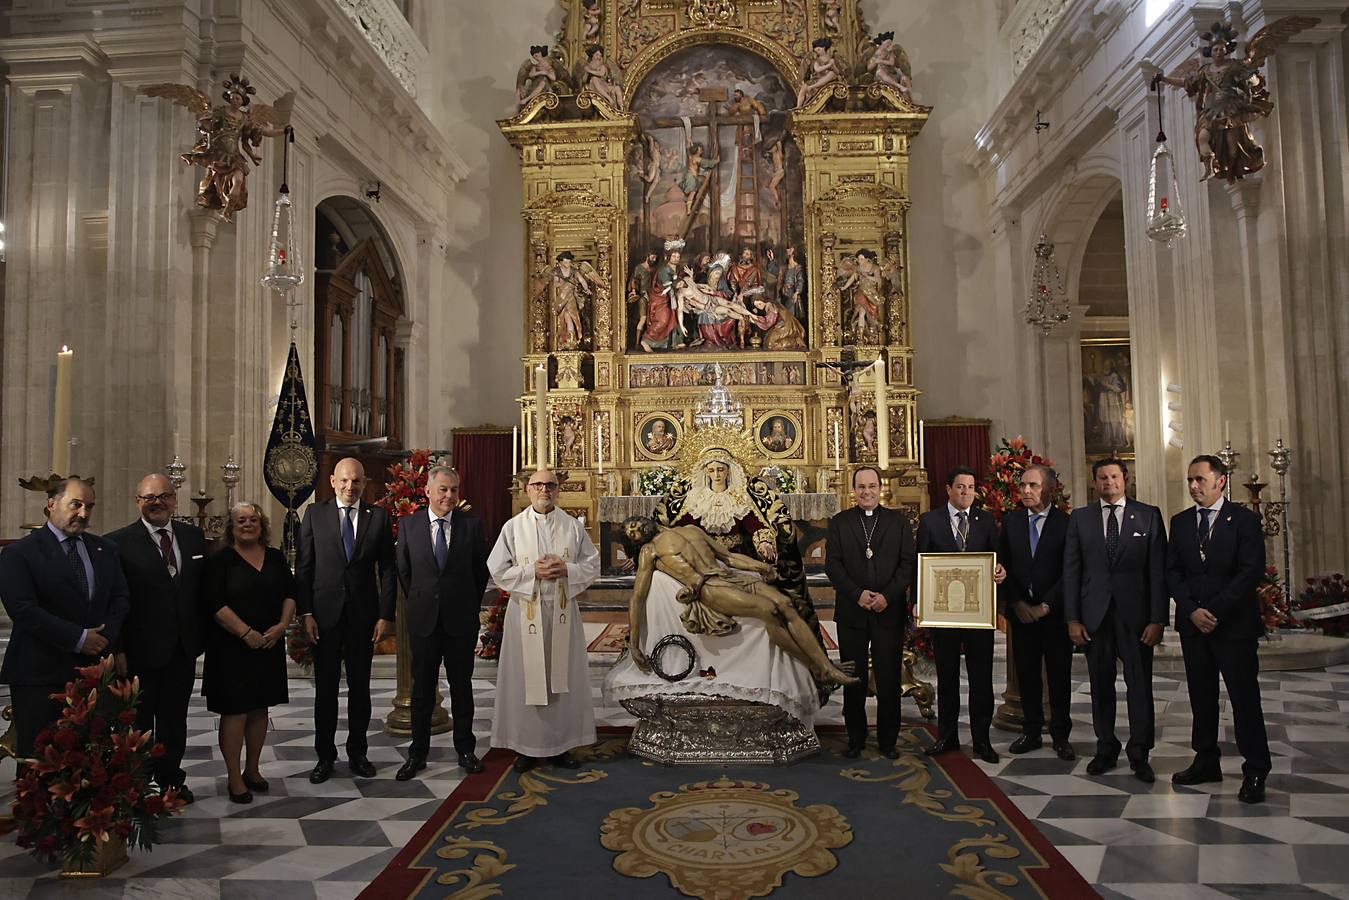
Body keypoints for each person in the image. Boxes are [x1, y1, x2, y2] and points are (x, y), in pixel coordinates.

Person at [624, 517, 858, 687]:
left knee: (785, 602)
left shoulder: (691, 529)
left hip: (728, 575)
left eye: (633, 524)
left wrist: (761, 566)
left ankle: (825, 666)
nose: (635, 529)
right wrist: (634, 644)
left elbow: (729, 557)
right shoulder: (650, 550)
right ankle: (820, 669)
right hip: (710, 587)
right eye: (631, 533)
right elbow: (638, 598)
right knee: (769, 609)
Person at [0, 478, 129, 758]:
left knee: (89, 758)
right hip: (40, 672)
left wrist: (105, 638)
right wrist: (79, 638)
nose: (83, 514)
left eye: (89, 507)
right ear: (51, 504)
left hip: (93, 669)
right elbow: (23, 610)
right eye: (76, 505)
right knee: (41, 758)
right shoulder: (19, 554)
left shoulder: (104, 549)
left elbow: (120, 598)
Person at [1167, 455, 1271, 803]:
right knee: (1201, 696)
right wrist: (1193, 611)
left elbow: (1249, 571)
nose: (1194, 486)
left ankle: (1255, 768)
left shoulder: (1243, 520)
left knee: (1243, 699)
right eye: (1190, 481)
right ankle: (1206, 760)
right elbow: (1173, 573)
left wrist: (1214, 610)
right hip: (1194, 626)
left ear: (1220, 481)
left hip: (1233, 626)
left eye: (1200, 479)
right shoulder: (1180, 522)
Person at [1063, 457, 1167, 783]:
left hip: (1136, 618)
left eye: (1114, 477)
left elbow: (1158, 573)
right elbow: (1071, 572)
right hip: (1095, 617)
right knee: (1100, 686)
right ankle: (1105, 747)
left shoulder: (1148, 515)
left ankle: (1140, 752)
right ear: (1095, 482)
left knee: (1139, 686)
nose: (1109, 482)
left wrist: (1157, 619)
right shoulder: (1080, 519)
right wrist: (1072, 619)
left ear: (1125, 479)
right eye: (1102, 478)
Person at [489, 469, 599, 772]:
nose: (544, 490)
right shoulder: (513, 527)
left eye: (550, 485)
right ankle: (525, 747)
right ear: (527, 489)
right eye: (538, 485)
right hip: (526, 612)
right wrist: (531, 573)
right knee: (526, 680)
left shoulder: (572, 527)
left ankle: (561, 745)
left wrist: (567, 570)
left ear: (558, 490)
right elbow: (497, 569)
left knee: (561, 680)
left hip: (562, 610)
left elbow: (591, 565)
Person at [107, 474, 208, 802]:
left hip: (181, 648)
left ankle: (171, 780)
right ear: (138, 501)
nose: (157, 502)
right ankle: (135, 784)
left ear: (174, 500)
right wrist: (117, 647)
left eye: (164, 496)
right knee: (138, 721)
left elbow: (200, 592)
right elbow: (114, 601)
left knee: (174, 720)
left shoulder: (193, 538)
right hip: (139, 650)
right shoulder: (118, 543)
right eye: (149, 497)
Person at [296, 457, 396, 784]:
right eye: (344, 481)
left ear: (364, 483)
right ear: (333, 481)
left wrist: (385, 614)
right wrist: (305, 612)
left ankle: (358, 753)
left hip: (362, 617)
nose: (350, 487)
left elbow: (388, 570)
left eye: (356, 481)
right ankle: (325, 756)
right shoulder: (314, 514)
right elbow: (305, 568)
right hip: (323, 616)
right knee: (325, 691)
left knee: (360, 690)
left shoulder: (378, 517)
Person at [395, 466, 489, 780]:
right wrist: (423, 600)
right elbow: (404, 572)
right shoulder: (408, 525)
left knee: (462, 687)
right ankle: (417, 753)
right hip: (424, 621)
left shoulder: (472, 526)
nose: (449, 496)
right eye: (443, 490)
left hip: (460, 620)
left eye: (454, 490)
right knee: (422, 690)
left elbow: (480, 573)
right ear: (429, 491)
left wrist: (465, 606)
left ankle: (465, 749)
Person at [202, 502, 296, 803]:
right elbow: (214, 604)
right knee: (235, 711)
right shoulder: (220, 560)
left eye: (253, 520)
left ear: (262, 525)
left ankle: (253, 770)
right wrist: (245, 633)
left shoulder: (276, 557)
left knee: (260, 709)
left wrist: (282, 625)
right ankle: (233, 776)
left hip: (268, 644)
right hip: (231, 647)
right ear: (231, 527)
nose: (247, 524)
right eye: (241, 520)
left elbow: (291, 593)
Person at [915, 466, 1006, 763]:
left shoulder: (985, 521)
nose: (966, 492)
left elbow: (997, 559)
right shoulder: (930, 521)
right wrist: (918, 601)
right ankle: (947, 736)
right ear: (948, 489)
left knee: (981, 679)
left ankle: (982, 740)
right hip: (944, 615)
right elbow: (921, 564)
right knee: (948, 677)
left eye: (970, 487)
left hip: (978, 615)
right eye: (960, 487)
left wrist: (1001, 571)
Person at [825, 467, 915, 758]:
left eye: (872, 486)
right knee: (854, 677)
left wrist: (887, 596)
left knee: (889, 677)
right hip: (852, 611)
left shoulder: (897, 522)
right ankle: (856, 738)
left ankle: (888, 741)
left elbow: (907, 565)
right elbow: (833, 566)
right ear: (853, 490)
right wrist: (857, 594)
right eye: (861, 487)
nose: (867, 491)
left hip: (888, 612)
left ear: (880, 488)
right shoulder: (840, 522)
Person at [996, 465, 1075, 762]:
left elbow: (1070, 570)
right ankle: (1031, 730)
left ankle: (1060, 734)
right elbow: (1003, 564)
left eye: (1033, 486)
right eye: (1023, 486)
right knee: (1026, 674)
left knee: (1058, 676)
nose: (1025, 491)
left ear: (1048, 489)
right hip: (1022, 615)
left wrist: (1046, 605)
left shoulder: (1066, 524)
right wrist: (1017, 603)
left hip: (1053, 616)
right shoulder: (1012, 521)